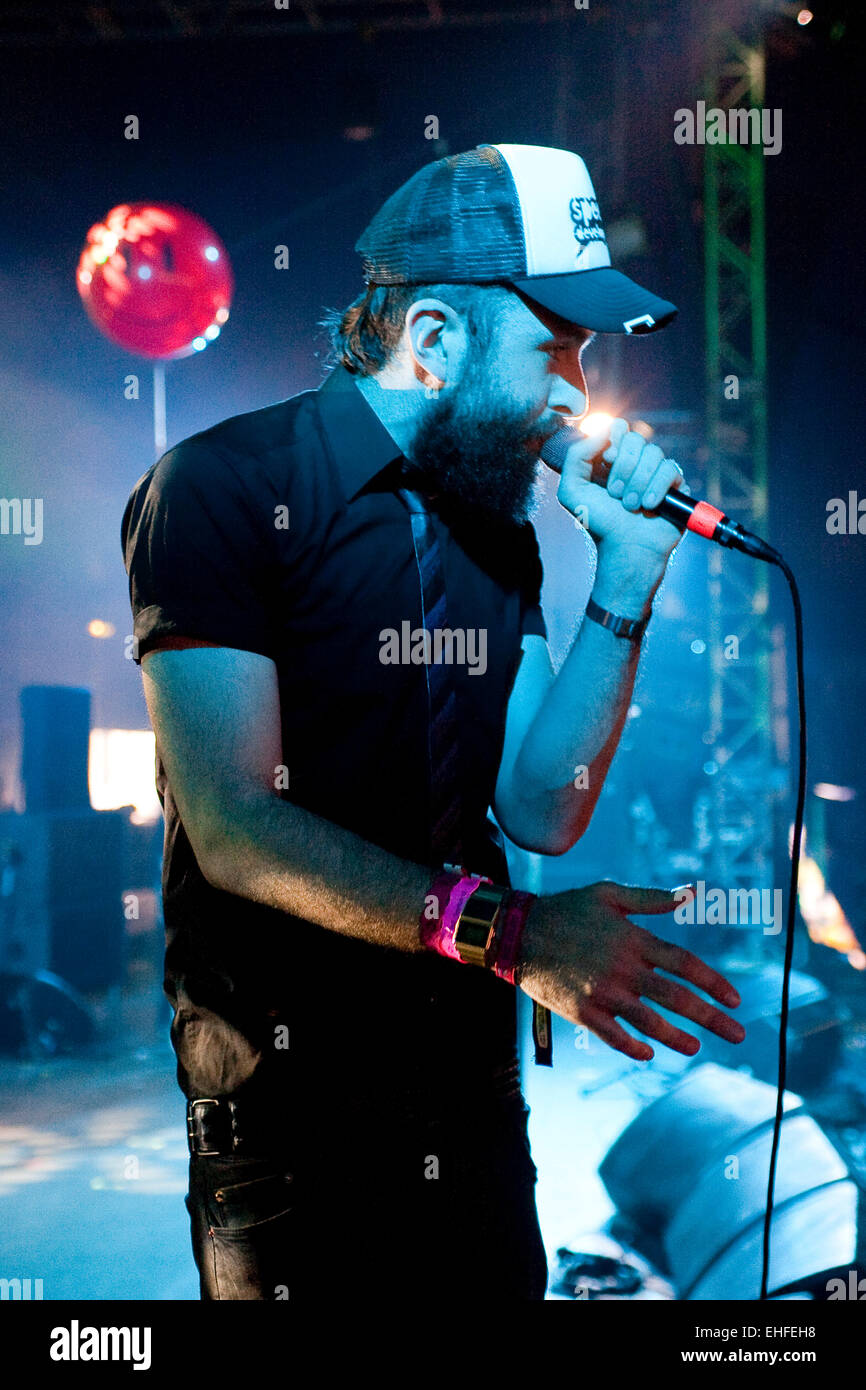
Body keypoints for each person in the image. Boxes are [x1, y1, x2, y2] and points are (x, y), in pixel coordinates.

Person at [121, 142, 745, 1302]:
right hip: (290, 1123)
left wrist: (625, 579)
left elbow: (538, 807)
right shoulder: (218, 488)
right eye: (554, 344)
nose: (577, 385)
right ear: (435, 341)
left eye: (588, 350)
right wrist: (513, 935)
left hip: (469, 1102)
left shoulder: (491, 526)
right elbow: (236, 826)